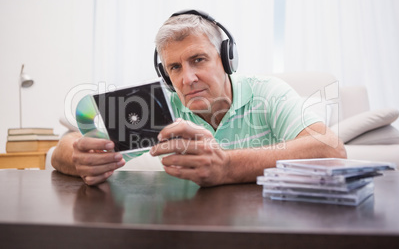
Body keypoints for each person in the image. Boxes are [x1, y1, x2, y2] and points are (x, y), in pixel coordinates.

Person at [51, 10, 346, 187]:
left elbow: (330, 149)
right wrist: (78, 158)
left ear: (227, 60)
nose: (187, 78)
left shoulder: (267, 92)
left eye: (198, 59)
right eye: (175, 68)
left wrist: (227, 166)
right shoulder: (161, 106)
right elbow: (65, 147)